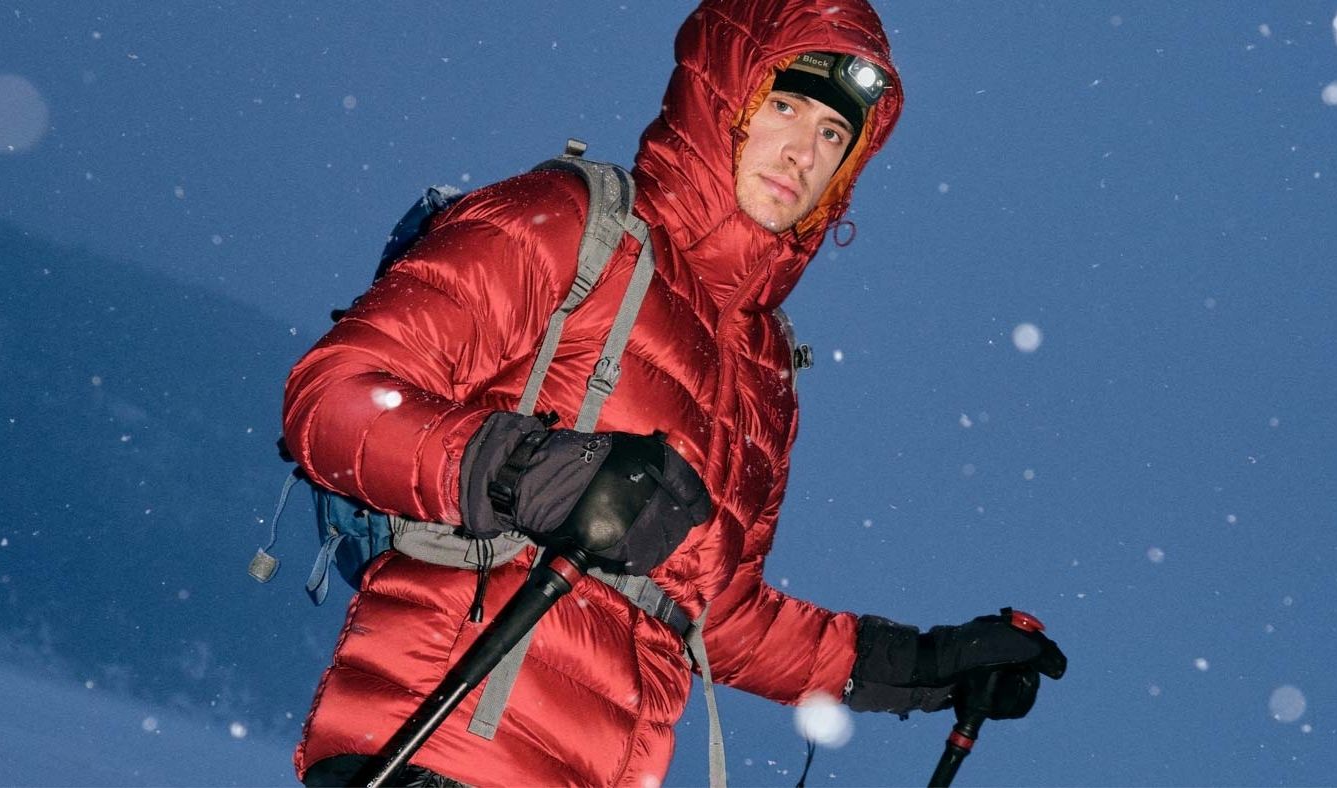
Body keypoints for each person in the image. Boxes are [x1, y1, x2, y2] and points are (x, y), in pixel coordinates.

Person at [282, 0, 1066, 785]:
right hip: (436, 750)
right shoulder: (573, 225)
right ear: (722, 100)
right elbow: (333, 400)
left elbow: (717, 616)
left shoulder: (764, 371)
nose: (803, 152)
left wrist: (926, 665)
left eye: (834, 134)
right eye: (785, 108)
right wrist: (528, 470)